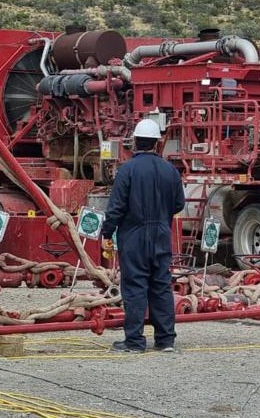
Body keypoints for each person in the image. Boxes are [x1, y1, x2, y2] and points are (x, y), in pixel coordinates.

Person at [101, 118, 185, 354]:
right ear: (157, 143)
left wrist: (107, 233)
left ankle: (135, 341)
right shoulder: (170, 170)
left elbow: (116, 207)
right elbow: (179, 204)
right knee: (161, 286)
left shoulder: (127, 170)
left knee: (135, 286)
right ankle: (166, 340)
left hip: (134, 235)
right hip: (161, 234)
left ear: (136, 141)